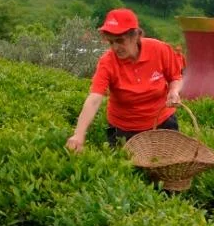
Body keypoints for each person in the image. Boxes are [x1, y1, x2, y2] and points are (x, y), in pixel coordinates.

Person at [66, 8, 185, 152]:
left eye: (120, 41)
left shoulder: (159, 49)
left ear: (136, 36)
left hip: (162, 122)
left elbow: (175, 77)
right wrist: (78, 134)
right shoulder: (107, 63)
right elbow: (94, 98)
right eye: (111, 42)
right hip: (124, 130)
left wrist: (174, 91)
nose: (115, 47)